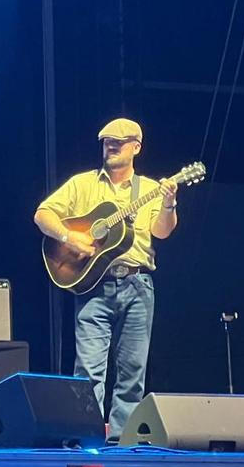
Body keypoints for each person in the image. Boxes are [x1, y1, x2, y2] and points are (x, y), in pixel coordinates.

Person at [34, 118, 178, 441]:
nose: (111, 145)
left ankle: (122, 442)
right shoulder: (82, 184)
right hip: (94, 286)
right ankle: (85, 437)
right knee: (88, 371)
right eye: (107, 141)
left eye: (119, 141)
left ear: (136, 147)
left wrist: (169, 203)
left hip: (137, 285)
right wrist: (69, 237)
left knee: (132, 373)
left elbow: (162, 231)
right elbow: (42, 214)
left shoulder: (150, 189)